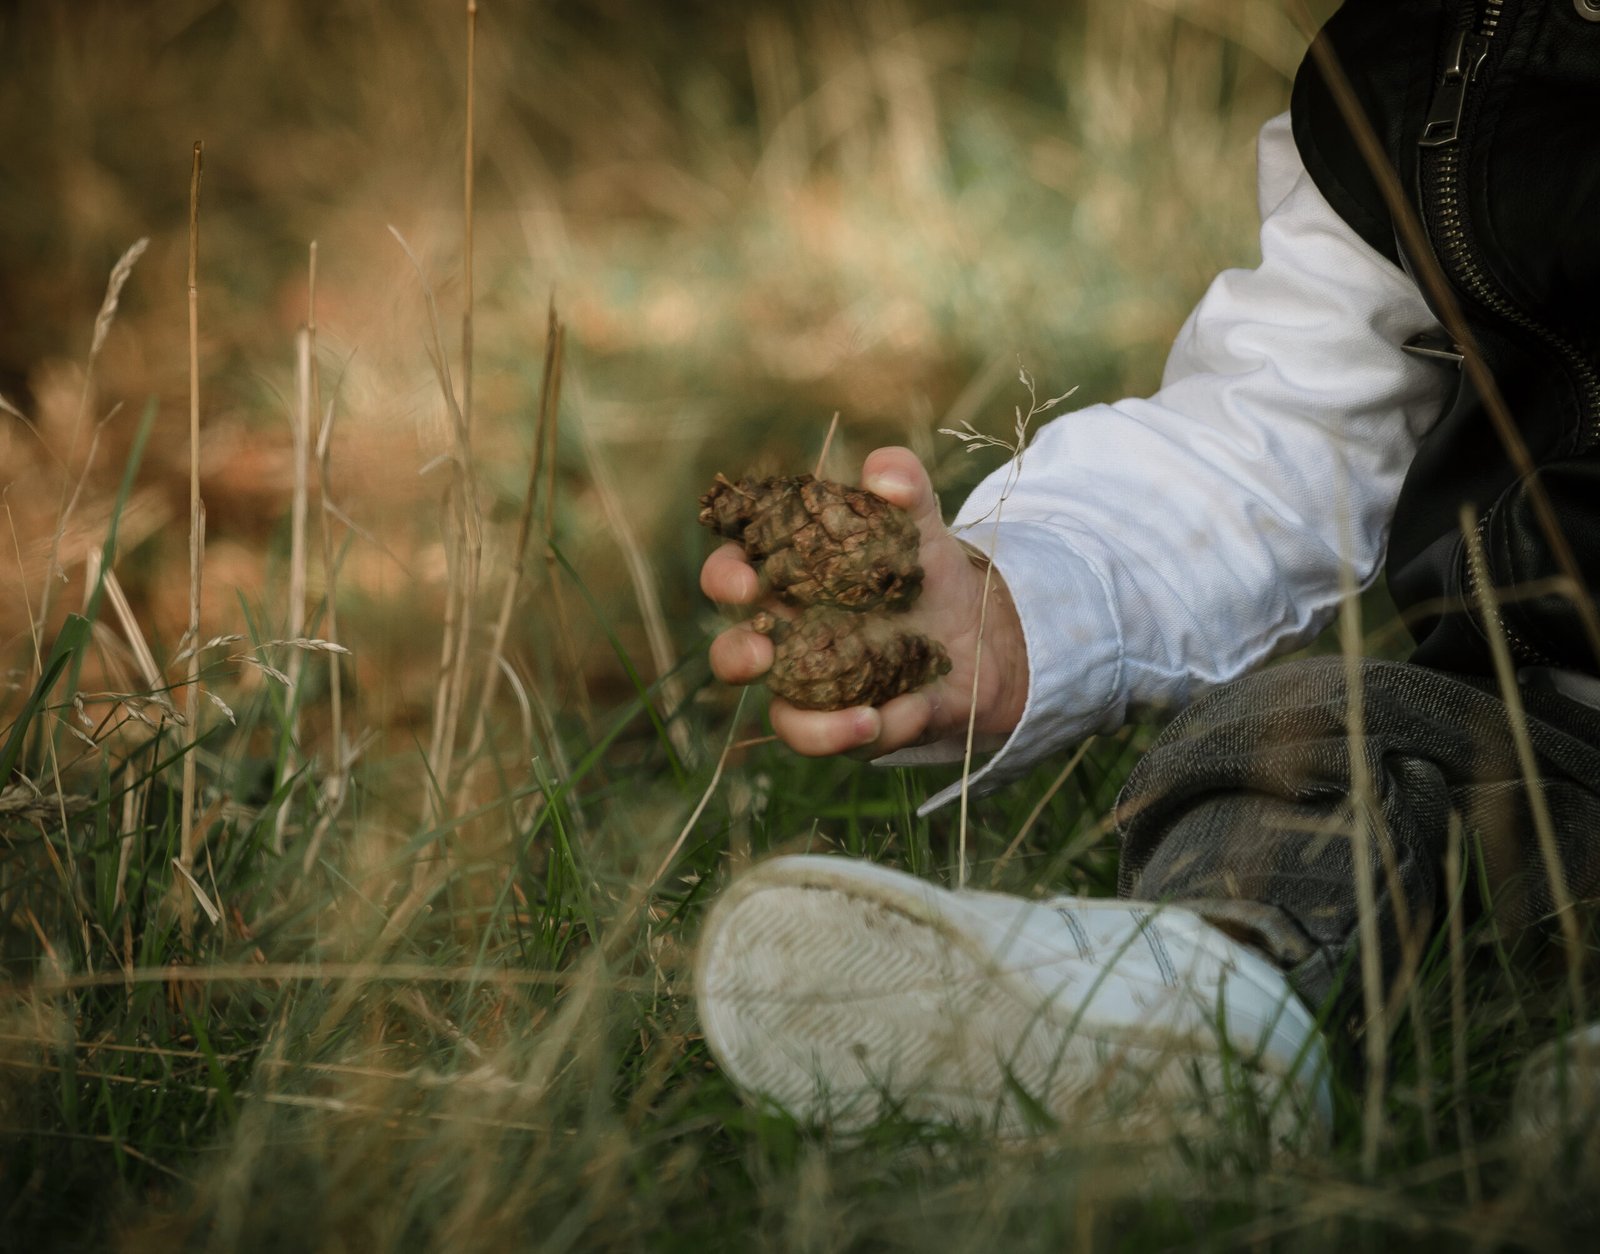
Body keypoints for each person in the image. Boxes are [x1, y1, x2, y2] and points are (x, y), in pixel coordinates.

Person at [694, 0, 1600, 1147]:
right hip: (1558, 758)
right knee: (1307, 735)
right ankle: (1196, 1002)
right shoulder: (1442, 74)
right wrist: (1021, 612)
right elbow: (1270, 434)